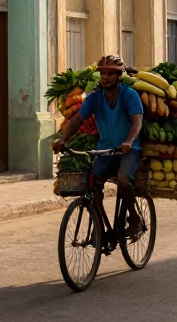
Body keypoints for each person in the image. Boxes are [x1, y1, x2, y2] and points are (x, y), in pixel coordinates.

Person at [53, 55, 145, 220]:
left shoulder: (129, 95)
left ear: (118, 77)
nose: (105, 77)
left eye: (110, 74)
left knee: (124, 180)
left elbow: (137, 122)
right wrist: (63, 139)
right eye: (103, 73)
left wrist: (128, 141)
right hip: (105, 150)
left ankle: (134, 217)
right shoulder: (95, 98)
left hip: (128, 150)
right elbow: (78, 119)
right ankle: (100, 228)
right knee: (92, 185)